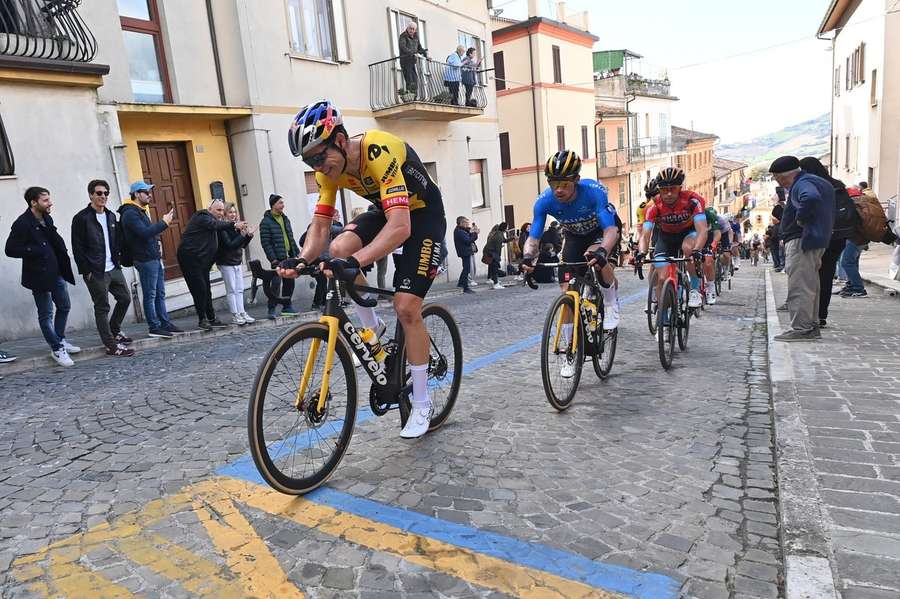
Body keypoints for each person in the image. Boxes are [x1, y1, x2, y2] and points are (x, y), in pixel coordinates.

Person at [282, 100, 447, 439]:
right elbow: (320, 227)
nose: (317, 166)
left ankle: (421, 402)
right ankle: (373, 329)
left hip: (423, 216)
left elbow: (401, 228)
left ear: (340, 141)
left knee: (407, 307)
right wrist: (302, 259)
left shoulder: (378, 150)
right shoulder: (328, 172)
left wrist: (356, 262)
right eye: (309, 161)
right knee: (339, 246)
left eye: (319, 156)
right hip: (387, 211)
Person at [520, 150, 621, 379]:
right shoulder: (544, 201)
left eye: (564, 183)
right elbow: (534, 237)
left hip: (602, 232)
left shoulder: (593, 192)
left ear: (576, 180)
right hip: (574, 236)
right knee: (567, 295)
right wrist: (528, 258)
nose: (559, 189)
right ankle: (569, 352)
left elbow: (610, 229)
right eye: (554, 182)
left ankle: (611, 301)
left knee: (594, 256)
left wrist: (604, 249)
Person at [5, 186, 80, 366]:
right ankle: (56, 348)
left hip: (56, 272)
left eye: (49, 199)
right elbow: (10, 249)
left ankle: (60, 338)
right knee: (46, 314)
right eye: (45, 200)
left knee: (64, 306)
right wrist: (35, 250)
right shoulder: (22, 223)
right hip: (38, 275)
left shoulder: (47, 218)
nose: (50, 203)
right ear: (33, 202)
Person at [769, 156, 835, 342]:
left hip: (802, 240)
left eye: (776, 178)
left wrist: (800, 219)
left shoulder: (801, 185)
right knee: (811, 284)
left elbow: (810, 198)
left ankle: (801, 328)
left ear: (781, 177)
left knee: (800, 285)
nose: (777, 182)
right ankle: (811, 325)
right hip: (817, 239)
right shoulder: (819, 181)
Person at [71, 179, 134, 357]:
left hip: (113, 267)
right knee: (102, 307)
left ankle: (114, 330)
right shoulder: (81, 218)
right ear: (91, 194)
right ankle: (111, 345)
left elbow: (116, 241)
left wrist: (118, 260)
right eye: (99, 193)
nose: (103, 196)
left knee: (125, 299)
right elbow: (78, 247)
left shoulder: (111, 216)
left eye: (106, 193)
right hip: (95, 271)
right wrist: (86, 271)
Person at [635, 166, 709, 309]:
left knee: (689, 249)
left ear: (680, 188)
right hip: (666, 238)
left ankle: (694, 290)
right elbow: (645, 235)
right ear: (659, 190)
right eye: (664, 190)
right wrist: (641, 253)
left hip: (688, 233)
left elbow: (702, 229)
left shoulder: (693, 200)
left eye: (673, 189)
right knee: (662, 278)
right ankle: (664, 319)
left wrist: (697, 250)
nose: (669, 194)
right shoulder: (653, 206)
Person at [118, 181, 183, 338]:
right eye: (146, 192)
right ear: (136, 194)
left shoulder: (140, 211)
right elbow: (144, 233)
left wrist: (157, 241)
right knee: (150, 294)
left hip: (153, 257)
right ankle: (154, 327)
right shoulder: (130, 213)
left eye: (149, 192)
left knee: (160, 293)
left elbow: (148, 234)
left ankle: (164, 323)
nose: (149, 195)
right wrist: (164, 222)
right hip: (145, 259)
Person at [797, 157, 855, 326]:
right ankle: (822, 314)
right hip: (839, 236)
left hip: (819, 234)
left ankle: (811, 314)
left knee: (811, 274)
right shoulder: (837, 184)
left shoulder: (812, 185)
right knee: (827, 275)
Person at [177, 199, 245, 330]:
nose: (221, 213)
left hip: (203, 261)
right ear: (210, 209)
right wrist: (234, 225)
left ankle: (211, 318)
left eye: (222, 210)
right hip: (190, 259)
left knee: (206, 289)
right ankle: (202, 319)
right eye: (218, 210)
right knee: (200, 289)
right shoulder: (202, 216)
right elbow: (214, 225)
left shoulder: (214, 222)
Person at [259, 194, 301, 318]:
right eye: (280, 203)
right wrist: (273, 259)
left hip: (289, 256)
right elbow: (265, 243)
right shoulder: (266, 222)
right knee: (275, 284)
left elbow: (291, 238)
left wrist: (297, 253)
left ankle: (287, 307)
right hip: (277, 258)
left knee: (289, 283)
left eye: (283, 203)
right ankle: (271, 309)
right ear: (273, 205)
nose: (283, 205)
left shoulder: (285, 219)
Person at [216, 202, 256, 325]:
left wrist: (248, 235)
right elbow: (230, 245)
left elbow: (242, 245)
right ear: (225, 214)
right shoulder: (222, 228)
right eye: (230, 212)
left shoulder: (238, 227)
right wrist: (242, 235)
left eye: (234, 212)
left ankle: (242, 312)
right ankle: (235, 315)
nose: (233, 215)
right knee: (231, 289)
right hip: (226, 262)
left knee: (240, 289)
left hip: (237, 261)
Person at [398, 21, 427, 96]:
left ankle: (413, 96)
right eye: (410, 28)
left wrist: (426, 56)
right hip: (405, 61)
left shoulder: (416, 37)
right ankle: (410, 97)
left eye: (413, 29)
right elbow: (403, 47)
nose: (411, 30)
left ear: (415, 30)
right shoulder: (403, 36)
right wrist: (412, 52)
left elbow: (419, 48)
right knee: (409, 80)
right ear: (407, 28)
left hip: (412, 61)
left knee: (415, 80)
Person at [454, 216, 478, 293]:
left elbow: (469, 235)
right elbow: (468, 240)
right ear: (461, 223)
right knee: (466, 269)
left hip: (465, 251)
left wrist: (473, 232)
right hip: (464, 252)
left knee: (466, 268)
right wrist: (475, 233)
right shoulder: (459, 231)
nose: (467, 225)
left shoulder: (461, 230)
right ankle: (465, 287)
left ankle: (461, 283)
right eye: (466, 223)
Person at [483, 222, 506, 290]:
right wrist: (498, 257)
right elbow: (497, 248)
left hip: (492, 252)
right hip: (491, 253)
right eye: (507, 227)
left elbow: (504, 241)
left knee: (493, 268)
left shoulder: (499, 234)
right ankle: (495, 283)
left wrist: (513, 238)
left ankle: (495, 281)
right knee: (494, 268)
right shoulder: (497, 235)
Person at [770, 188, 785, 271]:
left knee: (780, 249)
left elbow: (775, 219)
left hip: (780, 229)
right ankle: (779, 264)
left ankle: (780, 265)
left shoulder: (779, 206)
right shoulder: (781, 206)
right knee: (779, 248)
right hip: (779, 229)